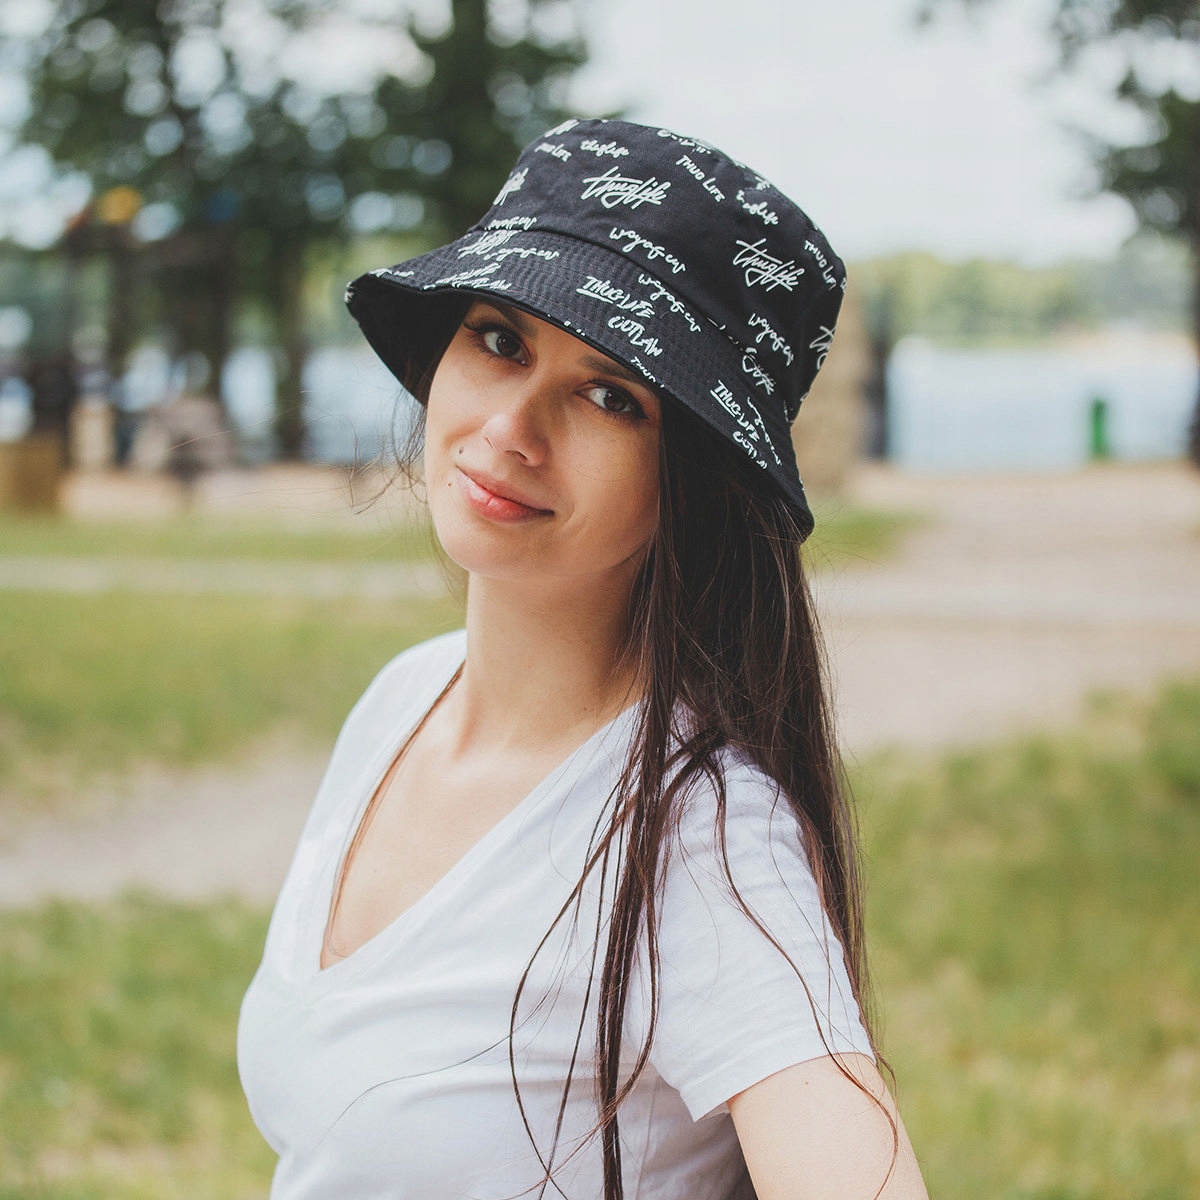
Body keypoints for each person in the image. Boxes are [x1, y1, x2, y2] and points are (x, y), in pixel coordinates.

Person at [238, 117, 930, 1200]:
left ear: (692, 481)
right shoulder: (405, 698)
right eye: (500, 340)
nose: (511, 427)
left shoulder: (697, 834)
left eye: (610, 396)